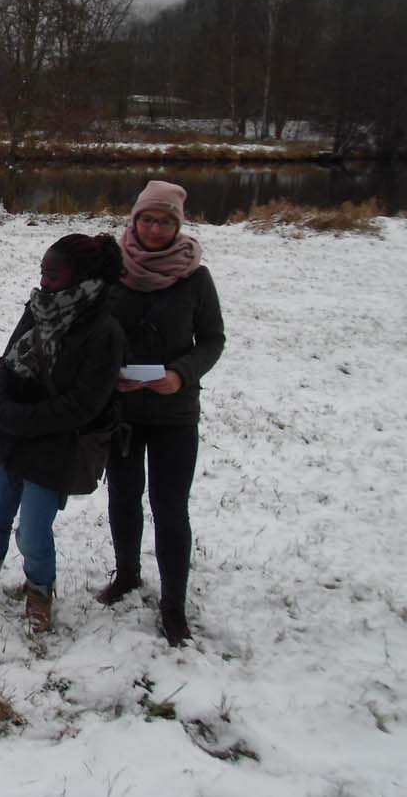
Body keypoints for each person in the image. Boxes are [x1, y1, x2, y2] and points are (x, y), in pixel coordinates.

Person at [0, 233, 125, 633]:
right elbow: (5, 366)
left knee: (33, 532)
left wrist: (19, 419)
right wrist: (0, 406)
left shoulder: (104, 330)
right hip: (8, 439)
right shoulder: (38, 307)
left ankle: (39, 591)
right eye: (42, 271)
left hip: (54, 449)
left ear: (80, 276)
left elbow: (85, 403)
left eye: (53, 274)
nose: (43, 281)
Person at [98, 181, 225, 646]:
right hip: (122, 408)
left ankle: (173, 603)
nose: (154, 229)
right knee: (123, 496)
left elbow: (212, 339)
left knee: (170, 507)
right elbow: (93, 332)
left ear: (178, 225)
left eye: (165, 221)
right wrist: (108, 375)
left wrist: (180, 374)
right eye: (147, 220)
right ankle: (127, 575)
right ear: (134, 221)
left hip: (175, 411)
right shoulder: (113, 271)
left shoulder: (196, 277)